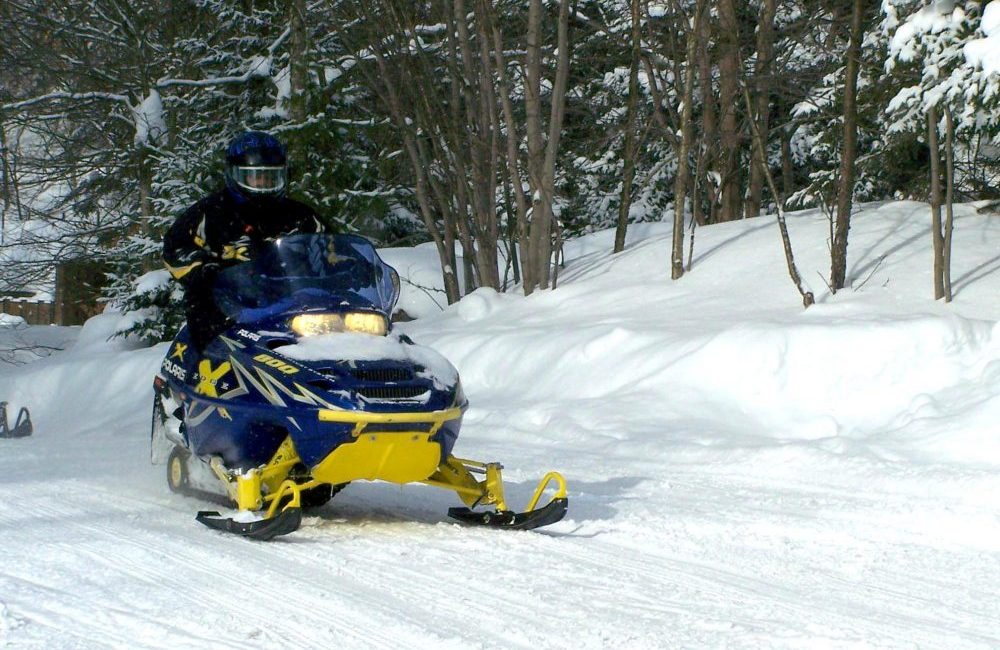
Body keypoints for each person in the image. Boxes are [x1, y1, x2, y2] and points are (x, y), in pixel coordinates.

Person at [163, 131, 326, 350]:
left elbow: (329, 247)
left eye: (270, 177)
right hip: (227, 311)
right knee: (207, 319)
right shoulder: (211, 213)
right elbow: (176, 248)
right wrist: (202, 271)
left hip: (294, 307)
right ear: (235, 175)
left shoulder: (300, 216)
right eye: (255, 176)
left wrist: (348, 269)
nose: (263, 183)